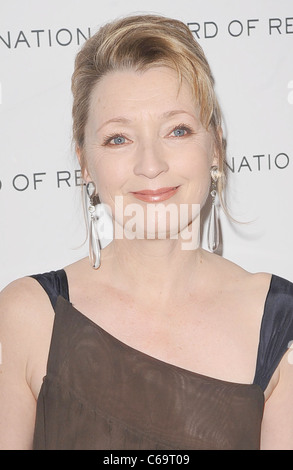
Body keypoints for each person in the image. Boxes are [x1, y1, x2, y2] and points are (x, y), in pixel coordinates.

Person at [0, 14, 293, 451]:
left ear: (216, 147)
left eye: (177, 130)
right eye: (119, 138)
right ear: (84, 163)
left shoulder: (279, 323)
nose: (151, 164)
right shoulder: (27, 317)